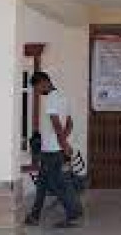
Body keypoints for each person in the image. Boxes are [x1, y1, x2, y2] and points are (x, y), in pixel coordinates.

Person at [25, 72, 83, 228]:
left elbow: (57, 125)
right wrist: (64, 141)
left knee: (60, 185)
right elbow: (69, 123)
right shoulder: (63, 97)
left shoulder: (51, 100)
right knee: (42, 184)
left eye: (37, 88)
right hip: (50, 151)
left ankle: (74, 215)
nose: (37, 91)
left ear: (44, 82)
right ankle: (34, 216)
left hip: (53, 152)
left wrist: (63, 145)